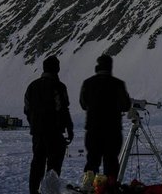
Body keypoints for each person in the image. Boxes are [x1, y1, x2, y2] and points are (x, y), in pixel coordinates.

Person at [79, 54, 131, 191]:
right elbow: (126, 105)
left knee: (92, 161)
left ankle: (87, 186)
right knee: (111, 162)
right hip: (112, 131)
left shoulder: (88, 83)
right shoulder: (118, 84)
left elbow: (83, 104)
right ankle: (110, 187)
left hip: (93, 130)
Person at [24, 55, 74, 194]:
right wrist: (69, 128)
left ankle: (33, 191)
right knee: (53, 168)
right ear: (56, 69)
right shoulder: (58, 86)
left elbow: (27, 109)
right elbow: (63, 109)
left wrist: (34, 124)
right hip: (54, 133)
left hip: (37, 133)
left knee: (37, 165)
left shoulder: (32, 86)